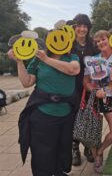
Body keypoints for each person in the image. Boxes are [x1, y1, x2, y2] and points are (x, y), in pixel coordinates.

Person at [8, 30, 80, 176]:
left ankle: (59, 172)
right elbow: (27, 82)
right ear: (47, 42)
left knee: (62, 148)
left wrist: (46, 59)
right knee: (42, 151)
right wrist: (19, 61)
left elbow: (73, 70)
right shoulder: (37, 60)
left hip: (66, 114)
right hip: (43, 114)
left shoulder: (72, 57)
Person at [83, 30, 112, 173]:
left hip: (110, 98)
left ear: (110, 39)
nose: (100, 43)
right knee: (93, 133)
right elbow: (86, 82)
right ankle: (96, 157)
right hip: (94, 99)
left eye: (103, 39)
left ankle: (100, 150)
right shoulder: (93, 59)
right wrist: (95, 91)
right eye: (98, 41)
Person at [69, 14, 98, 166]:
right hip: (71, 87)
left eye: (85, 26)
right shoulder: (68, 44)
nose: (82, 29)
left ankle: (88, 148)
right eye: (79, 26)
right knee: (73, 118)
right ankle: (74, 149)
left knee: (89, 116)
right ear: (74, 27)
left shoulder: (92, 45)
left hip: (89, 87)